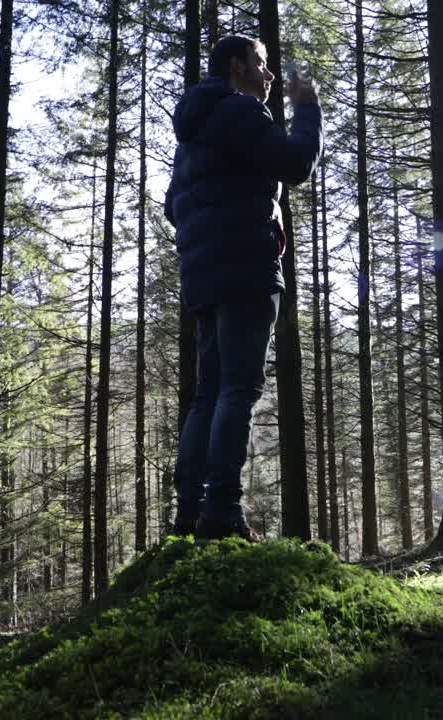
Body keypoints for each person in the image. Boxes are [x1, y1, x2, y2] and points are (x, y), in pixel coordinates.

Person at [164, 34, 322, 542]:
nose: (270, 74)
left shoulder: (193, 133)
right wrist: (307, 108)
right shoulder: (239, 111)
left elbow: (174, 206)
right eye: (261, 63)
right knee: (238, 389)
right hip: (247, 267)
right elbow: (295, 163)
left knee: (208, 391)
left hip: (203, 274)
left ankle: (188, 514)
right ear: (237, 68)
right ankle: (223, 513)